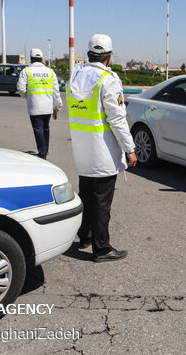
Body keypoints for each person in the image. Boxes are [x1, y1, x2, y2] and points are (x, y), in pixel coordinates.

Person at [67, 34, 137, 262]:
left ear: (88, 54)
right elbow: (117, 119)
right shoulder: (108, 79)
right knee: (102, 203)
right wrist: (130, 148)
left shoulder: (76, 76)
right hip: (102, 153)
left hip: (82, 151)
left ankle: (85, 236)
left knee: (86, 196)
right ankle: (102, 248)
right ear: (109, 56)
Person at [17, 48, 62, 159]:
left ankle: (42, 154)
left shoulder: (26, 71)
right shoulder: (50, 72)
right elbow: (56, 91)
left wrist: (28, 96)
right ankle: (45, 150)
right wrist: (57, 107)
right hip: (48, 107)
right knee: (46, 128)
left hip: (34, 106)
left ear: (31, 59)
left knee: (38, 129)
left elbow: (20, 88)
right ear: (41, 59)